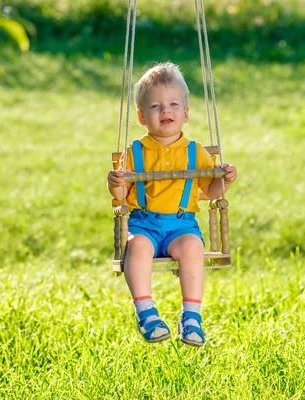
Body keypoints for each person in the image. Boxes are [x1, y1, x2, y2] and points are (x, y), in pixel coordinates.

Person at [107, 62, 237, 346]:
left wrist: (225, 179)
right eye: (155, 106)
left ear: (186, 113)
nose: (165, 110)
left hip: (181, 225)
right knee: (137, 246)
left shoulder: (195, 152)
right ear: (142, 117)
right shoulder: (133, 152)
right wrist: (115, 181)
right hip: (144, 223)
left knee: (193, 246)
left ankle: (191, 317)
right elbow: (120, 197)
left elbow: (212, 192)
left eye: (173, 104)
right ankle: (146, 312)